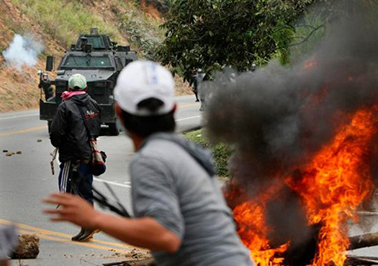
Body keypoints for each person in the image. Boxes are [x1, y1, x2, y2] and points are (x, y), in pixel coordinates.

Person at [44, 61, 253, 266]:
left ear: (119, 114)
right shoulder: (187, 150)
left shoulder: (152, 158)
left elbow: (166, 235)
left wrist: (95, 219)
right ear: (173, 109)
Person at [49, 73, 101, 242]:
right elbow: (97, 129)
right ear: (85, 88)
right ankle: (87, 225)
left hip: (72, 155)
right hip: (88, 154)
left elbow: (56, 133)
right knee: (85, 189)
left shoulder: (65, 106)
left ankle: (90, 222)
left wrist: (59, 143)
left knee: (67, 192)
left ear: (69, 88)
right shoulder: (93, 103)